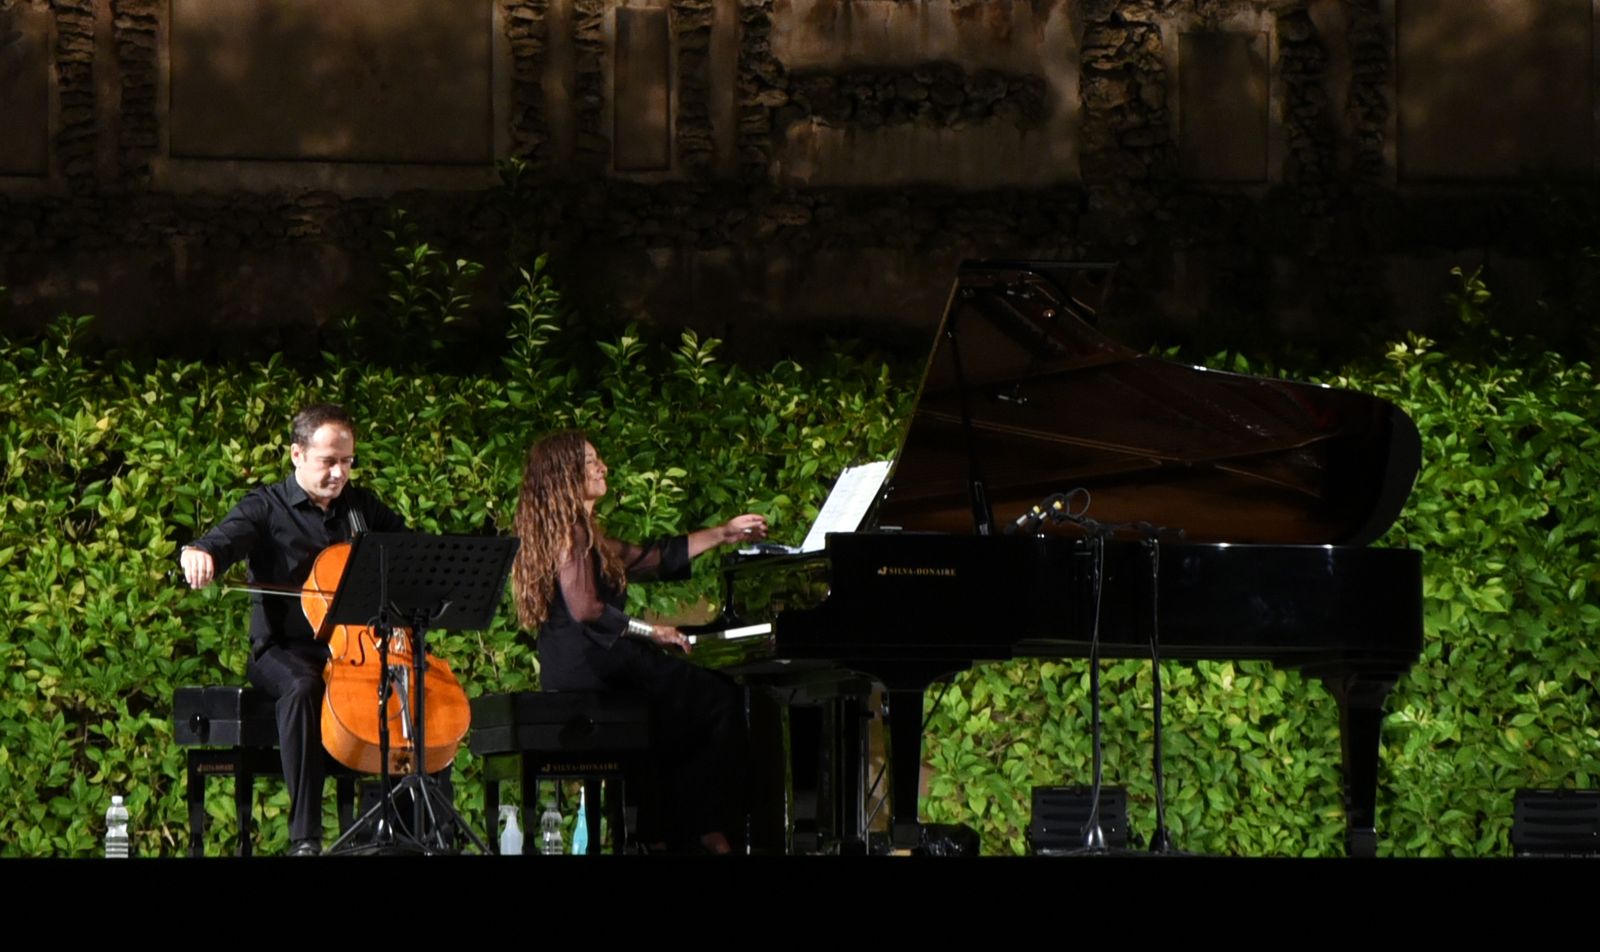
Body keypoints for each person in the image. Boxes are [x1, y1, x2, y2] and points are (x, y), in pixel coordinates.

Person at [511, 430, 768, 854]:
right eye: (591, 461)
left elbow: (656, 557)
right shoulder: (572, 533)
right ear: (566, 474)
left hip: (581, 664)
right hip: (598, 665)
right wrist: (654, 631)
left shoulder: (576, 534)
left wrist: (723, 533)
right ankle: (703, 827)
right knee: (719, 696)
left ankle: (661, 833)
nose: (602, 467)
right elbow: (586, 609)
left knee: (669, 720)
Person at [180, 403, 406, 856]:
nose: (340, 474)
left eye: (347, 461)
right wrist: (198, 552)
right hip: (282, 651)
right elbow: (219, 542)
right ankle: (306, 839)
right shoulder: (265, 506)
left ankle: (400, 829)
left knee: (409, 685)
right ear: (297, 455)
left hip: (351, 651)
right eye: (328, 461)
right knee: (303, 687)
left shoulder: (361, 508)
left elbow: (408, 552)